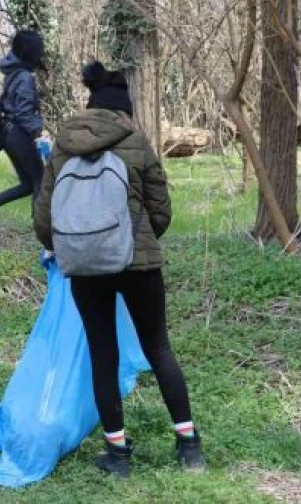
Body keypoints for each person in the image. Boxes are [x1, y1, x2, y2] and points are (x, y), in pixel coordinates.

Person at [33, 61, 204, 478]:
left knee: (103, 354)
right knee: (158, 347)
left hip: (83, 266)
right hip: (137, 262)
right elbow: (161, 209)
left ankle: (118, 454)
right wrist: (138, 240)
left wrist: (70, 246)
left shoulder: (63, 146)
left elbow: (43, 216)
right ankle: (189, 447)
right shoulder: (137, 140)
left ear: (90, 105)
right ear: (124, 110)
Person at [0, 31, 45, 219]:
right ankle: (41, 230)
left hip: (8, 133)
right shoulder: (25, 76)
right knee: (41, 180)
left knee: (28, 184)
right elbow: (24, 112)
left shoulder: (13, 71)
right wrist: (38, 133)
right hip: (19, 133)